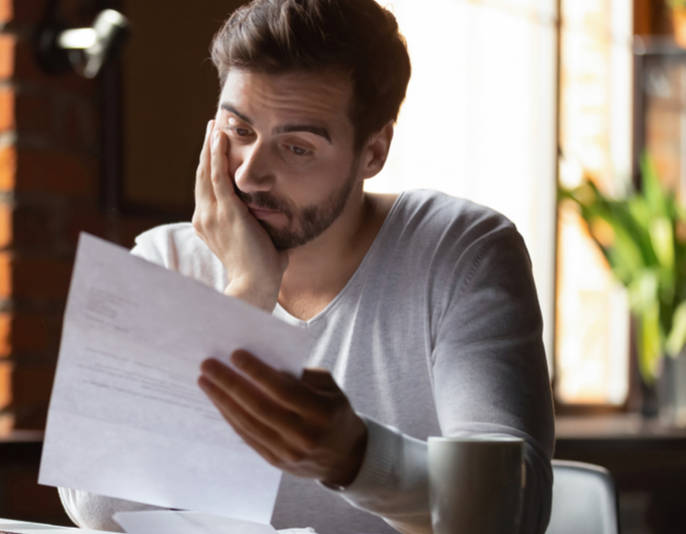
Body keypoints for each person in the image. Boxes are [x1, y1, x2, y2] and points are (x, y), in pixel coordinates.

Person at [59, 0, 555, 532]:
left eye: (296, 148)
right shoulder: (164, 260)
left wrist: (356, 459)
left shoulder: (462, 251)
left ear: (373, 152)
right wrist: (247, 293)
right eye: (238, 131)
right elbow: (97, 508)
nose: (250, 175)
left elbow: (513, 508)